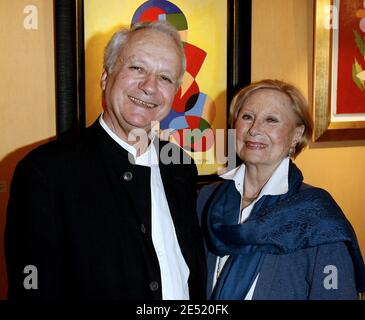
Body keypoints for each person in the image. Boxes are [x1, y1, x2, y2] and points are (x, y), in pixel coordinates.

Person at [5, 21, 206, 300]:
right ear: (105, 77)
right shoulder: (46, 171)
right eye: (137, 68)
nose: (150, 87)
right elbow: (33, 288)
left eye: (165, 78)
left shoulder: (180, 166)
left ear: (175, 93)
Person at [197, 79, 365, 300]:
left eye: (271, 120)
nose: (255, 129)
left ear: (296, 134)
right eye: (247, 117)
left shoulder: (318, 216)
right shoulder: (205, 200)